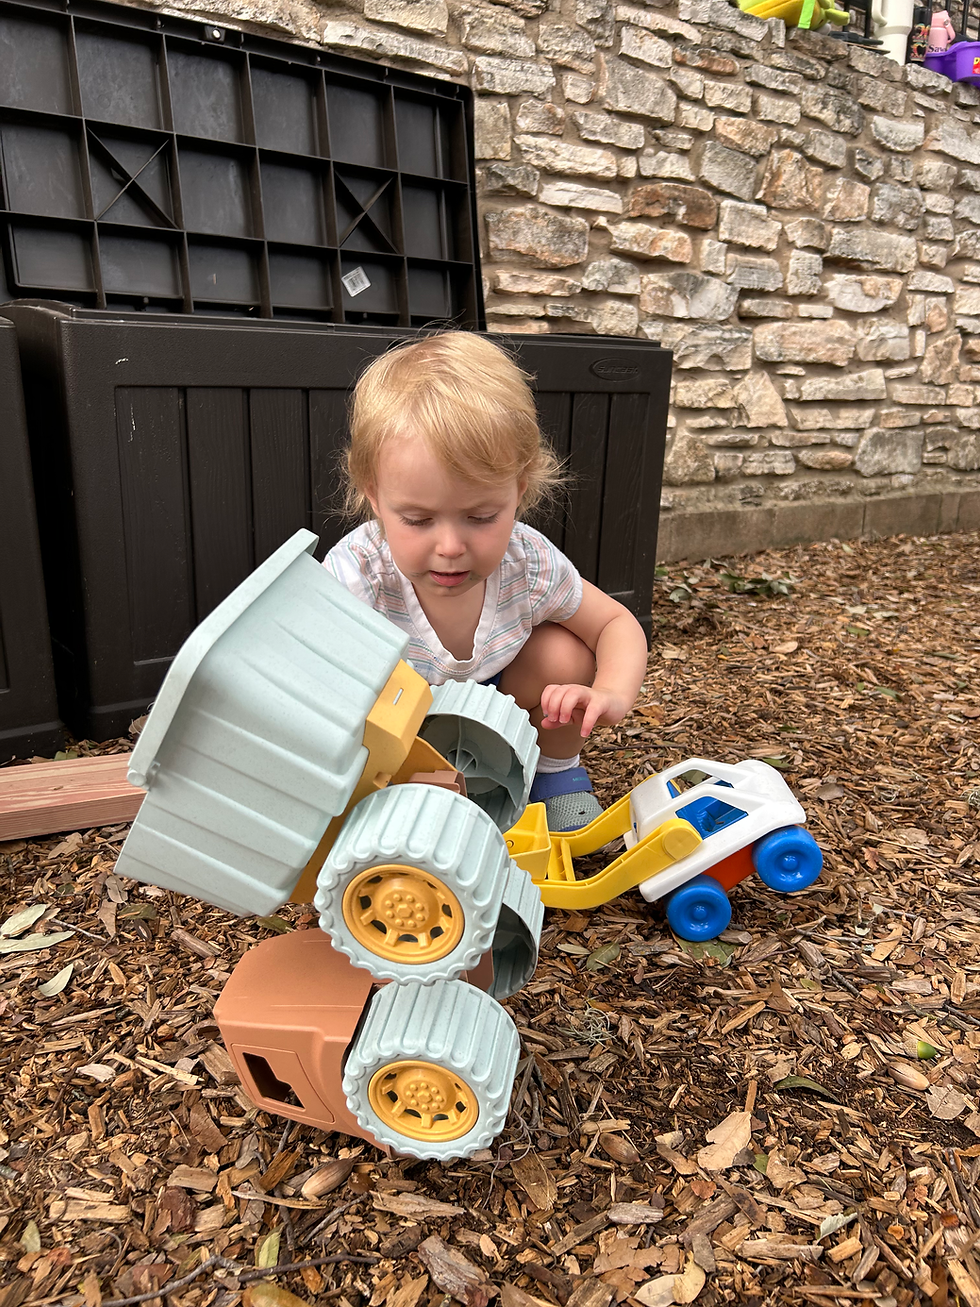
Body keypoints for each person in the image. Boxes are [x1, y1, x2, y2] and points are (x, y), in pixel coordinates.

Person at [323, 331, 649, 832]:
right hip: (404, 721)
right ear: (374, 496)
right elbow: (314, 681)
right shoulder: (358, 573)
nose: (450, 546)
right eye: (417, 519)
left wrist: (611, 693)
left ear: (518, 492)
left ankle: (553, 773)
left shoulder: (528, 562)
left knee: (567, 654)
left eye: (480, 517)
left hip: (505, 701)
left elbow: (613, 624)